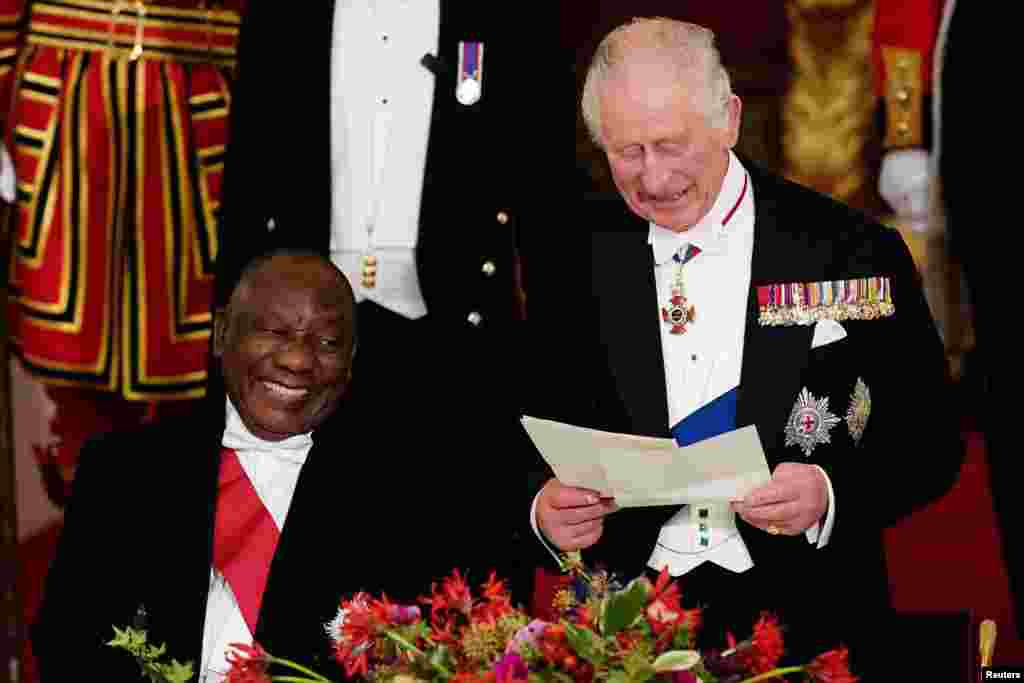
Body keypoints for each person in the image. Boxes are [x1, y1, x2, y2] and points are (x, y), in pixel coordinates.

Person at [527, 18, 963, 679]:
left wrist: (828, 489)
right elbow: (513, 424)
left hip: (810, 615)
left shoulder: (849, 248)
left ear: (728, 118)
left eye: (673, 146)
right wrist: (540, 507)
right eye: (627, 152)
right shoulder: (571, 257)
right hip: (626, 629)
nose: (654, 177)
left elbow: (932, 440)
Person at [31, 249, 523, 682]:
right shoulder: (125, 471)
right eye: (274, 331)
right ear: (222, 333)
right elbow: (68, 646)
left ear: (351, 361)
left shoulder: (408, 492)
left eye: (327, 343)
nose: (297, 360)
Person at [213, 3, 559, 427]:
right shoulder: (282, 13)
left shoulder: (502, 15)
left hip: (455, 332)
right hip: (299, 338)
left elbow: (543, 186)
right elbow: (249, 176)